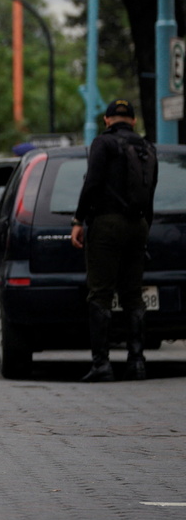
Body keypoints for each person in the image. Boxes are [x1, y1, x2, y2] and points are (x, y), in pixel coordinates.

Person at [71, 99, 159, 382]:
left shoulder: (103, 143)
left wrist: (78, 220)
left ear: (107, 120)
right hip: (139, 225)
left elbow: (92, 183)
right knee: (133, 294)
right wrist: (145, 227)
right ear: (133, 121)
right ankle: (137, 361)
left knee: (100, 293)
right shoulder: (147, 147)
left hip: (107, 224)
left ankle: (102, 364)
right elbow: (151, 191)